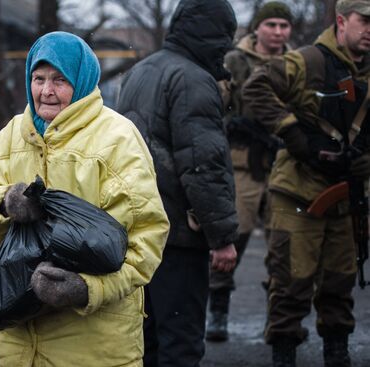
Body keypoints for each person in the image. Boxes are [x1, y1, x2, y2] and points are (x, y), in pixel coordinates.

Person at [0, 31, 170, 366]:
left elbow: (146, 239)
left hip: (93, 347)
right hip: (20, 344)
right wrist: (3, 202)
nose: (46, 91)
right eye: (38, 78)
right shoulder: (11, 137)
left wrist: (86, 289)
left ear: (82, 80)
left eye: (60, 80)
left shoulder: (117, 140)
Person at [242, 1, 370, 366]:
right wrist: (292, 132)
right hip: (300, 190)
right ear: (343, 22)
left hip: (349, 196)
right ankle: (284, 354)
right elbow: (256, 88)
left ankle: (337, 351)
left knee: (340, 284)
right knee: (291, 283)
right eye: (365, 21)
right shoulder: (307, 61)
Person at [116, 0, 239, 365]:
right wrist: (221, 238)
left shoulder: (140, 71)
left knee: (147, 342)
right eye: (225, 37)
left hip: (139, 232)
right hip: (180, 236)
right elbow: (203, 165)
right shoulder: (193, 79)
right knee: (180, 344)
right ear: (214, 34)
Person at [206, 1, 294, 342]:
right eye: (270, 24)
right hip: (242, 164)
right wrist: (233, 123)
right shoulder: (234, 61)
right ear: (258, 28)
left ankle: (280, 316)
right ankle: (218, 309)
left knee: (284, 244)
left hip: (285, 163)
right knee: (231, 239)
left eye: (283, 26)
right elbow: (214, 106)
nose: (277, 32)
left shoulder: (296, 62)